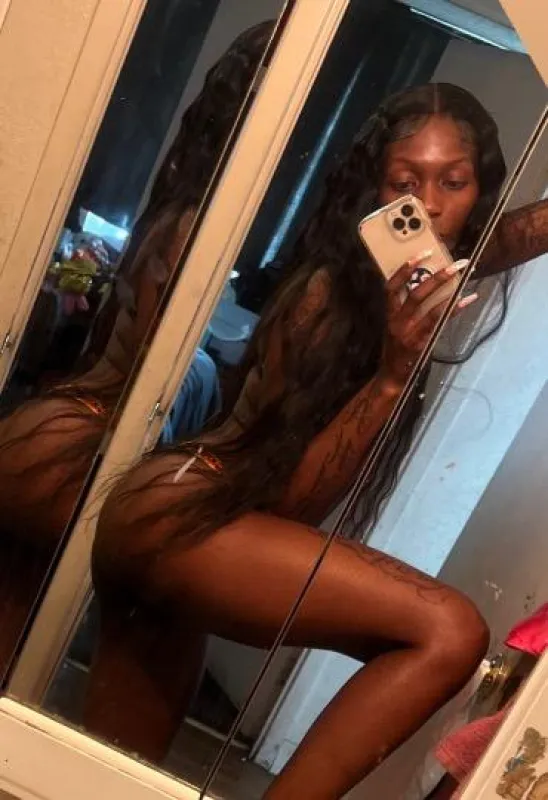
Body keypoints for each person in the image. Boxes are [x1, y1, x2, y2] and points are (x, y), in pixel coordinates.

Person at [85, 80, 547, 800]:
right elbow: (291, 509)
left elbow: (522, 233)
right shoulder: (326, 297)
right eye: (404, 184)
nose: (428, 207)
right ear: (373, 194)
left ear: (479, 195)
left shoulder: (426, 275)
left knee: (106, 785)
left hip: (181, 519)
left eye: (453, 183)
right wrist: (391, 375)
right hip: (182, 515)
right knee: (450, 631)